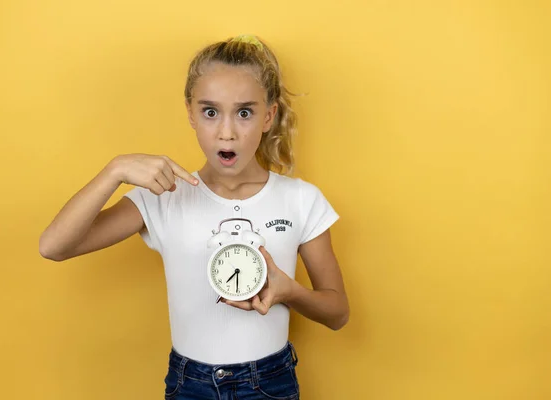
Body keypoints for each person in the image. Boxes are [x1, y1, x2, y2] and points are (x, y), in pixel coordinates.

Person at [39, 34, 349, 400]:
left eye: (245, 112)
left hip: (271, 382)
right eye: (210, 111)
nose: (227, 132)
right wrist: (115, 170)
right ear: (190, 112)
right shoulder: (164, 196)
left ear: (269, 116)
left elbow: (337, 312)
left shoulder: (300, 199)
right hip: (190, 385)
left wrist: (289, 291)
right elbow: (53, 246)